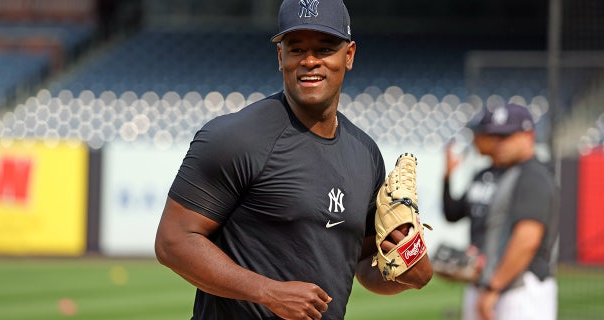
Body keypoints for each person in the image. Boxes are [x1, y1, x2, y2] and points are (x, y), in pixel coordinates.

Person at [154, 1, 433, 319]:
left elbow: (364, 264)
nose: (310, 61)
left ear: (349, 55)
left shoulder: (365, 154)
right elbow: (173, 242)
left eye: (325, 48)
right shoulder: (235, 137)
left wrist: (409, 268)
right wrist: (267, 292)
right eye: (297, 49)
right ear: (280, 57)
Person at [474, 103, 560, 320]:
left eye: (507, 136)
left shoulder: (532, 176)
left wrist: (493, 287)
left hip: (523, 288)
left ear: (528, 135)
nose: (499, 143)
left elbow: (527, 238)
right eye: (496, 136)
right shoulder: (516, 172)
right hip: (514, 286)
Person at [440, 109, 507, 318]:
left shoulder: (514, 177)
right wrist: (448, 176)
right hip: (476, 279)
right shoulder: (481, 176)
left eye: (478, 133)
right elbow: (452, 213)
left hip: (504, 280)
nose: (474, 139)